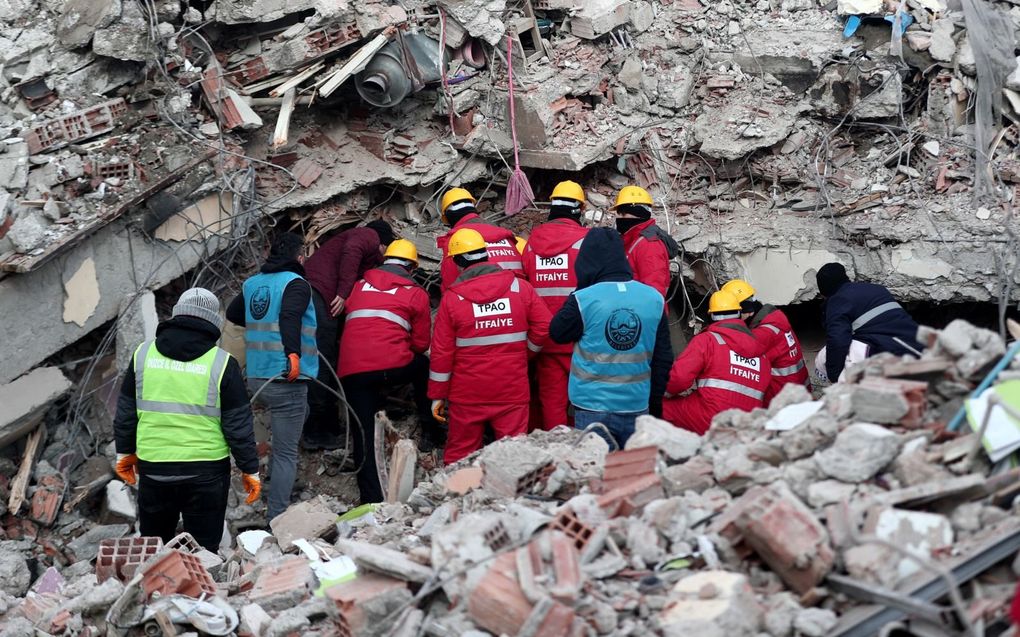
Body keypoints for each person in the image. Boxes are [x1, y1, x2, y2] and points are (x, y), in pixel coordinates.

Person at [114, 288, 259, 552]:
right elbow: (238, 426)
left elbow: (125, 414)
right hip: (206, 473)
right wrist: (250, 468)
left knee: (154, 549)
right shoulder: (222, 363)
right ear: (214, 322)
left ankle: (155, 591)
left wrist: (124, 453)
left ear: (176, 315)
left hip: (155, 468)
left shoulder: (143, 356)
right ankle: (204, 591)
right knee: (204, 552)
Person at [429, 228, 551, 465]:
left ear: (458, 261)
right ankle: (510, 500)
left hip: (467, 393)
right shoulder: (519, 288)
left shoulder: (452, 299)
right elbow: (544, 326)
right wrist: (526, 354)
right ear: (485, 254)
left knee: (459, 456)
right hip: (511, 387)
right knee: (514, 457)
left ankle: (456, 498)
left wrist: (437, 395)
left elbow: (442, 353)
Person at [549, 228, 672, 447]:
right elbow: (663, 358)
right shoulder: (653, 299)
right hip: (637, 406)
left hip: (591, 408)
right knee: (631, 476)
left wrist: (582, 288)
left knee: (594, 474)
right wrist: (654, 406)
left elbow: (557, 333)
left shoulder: (583, 299)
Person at [226, 232, 318, 521]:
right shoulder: (296, 284)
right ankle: (277, 515)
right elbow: (289, 317)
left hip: (257, 377)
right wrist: (292, 354)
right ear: (299, 257)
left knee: (300, 416)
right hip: (285, 376)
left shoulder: (253, 283)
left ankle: (278, 481)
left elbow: (234, 313)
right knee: (286, 452)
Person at [338, 239, 434, 503]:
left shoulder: (358, 285)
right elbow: (421, 344)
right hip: (393, 365)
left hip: (352, 369)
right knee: (423, 366)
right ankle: (431, 430)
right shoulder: (415, 292)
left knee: (363, 433)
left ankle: (371, 498)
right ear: (412, 268)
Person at [302, 219, 395, 449]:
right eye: (385, 250)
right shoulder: (367, 236)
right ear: (382, 242)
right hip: (318, 295)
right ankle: (314, 432)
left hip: (315, 295)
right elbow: (352, 250)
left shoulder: (362, 250)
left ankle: (329, 427)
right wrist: (343, 293)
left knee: (326, 360)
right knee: (322, 363)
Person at [521, 180, 589, 430]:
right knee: (588, 403)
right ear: (579, 210)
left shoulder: (530, 244)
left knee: (552, 403)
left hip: (545, 340)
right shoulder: (586, 242)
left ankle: (556, 452)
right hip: (582, 340)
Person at [662, 290, 771, 435]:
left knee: (661, 407)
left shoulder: (708, 340)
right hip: (746, 426)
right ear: (739, 314)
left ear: (711, 315)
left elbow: (679, 379)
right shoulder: (762, 355)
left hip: (711, 418)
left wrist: (663, 392)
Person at [815, 262, 922, 383]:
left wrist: (834, 375)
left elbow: (837, 340)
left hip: (891, 358)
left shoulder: (837, 301)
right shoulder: (878, 289)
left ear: (824, 292)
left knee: (824, 356)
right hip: (920, 349)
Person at [722, 279, 811, 403]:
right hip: (798, 389)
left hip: (783, 399)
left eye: (734, 312)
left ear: (747, 312)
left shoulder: (763, 334)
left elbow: (737, 359)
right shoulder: (774, 318)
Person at [436, 187, 523, 291]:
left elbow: (450, 284)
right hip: (518, 296)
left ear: (449, 217)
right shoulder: (504, 235)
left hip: (483, 298)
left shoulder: (456, 240)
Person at [611, 185, 672, 299]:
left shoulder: (649, 245)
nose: (618, 218)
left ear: (636, 213)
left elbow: (654, 295)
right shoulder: (632, 240)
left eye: (621, 213)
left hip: (642, 315)